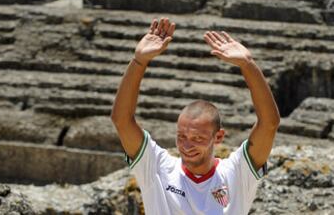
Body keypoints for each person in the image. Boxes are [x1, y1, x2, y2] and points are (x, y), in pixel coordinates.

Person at [110, 17, 280, 214]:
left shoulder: (236, 172)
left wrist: (248, 65)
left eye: (198, 138)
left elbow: (269, 123)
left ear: (218, 137)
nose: (187, 146)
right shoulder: (157, 167)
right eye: (181, 137)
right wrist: (139, 61)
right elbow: (121, 120)